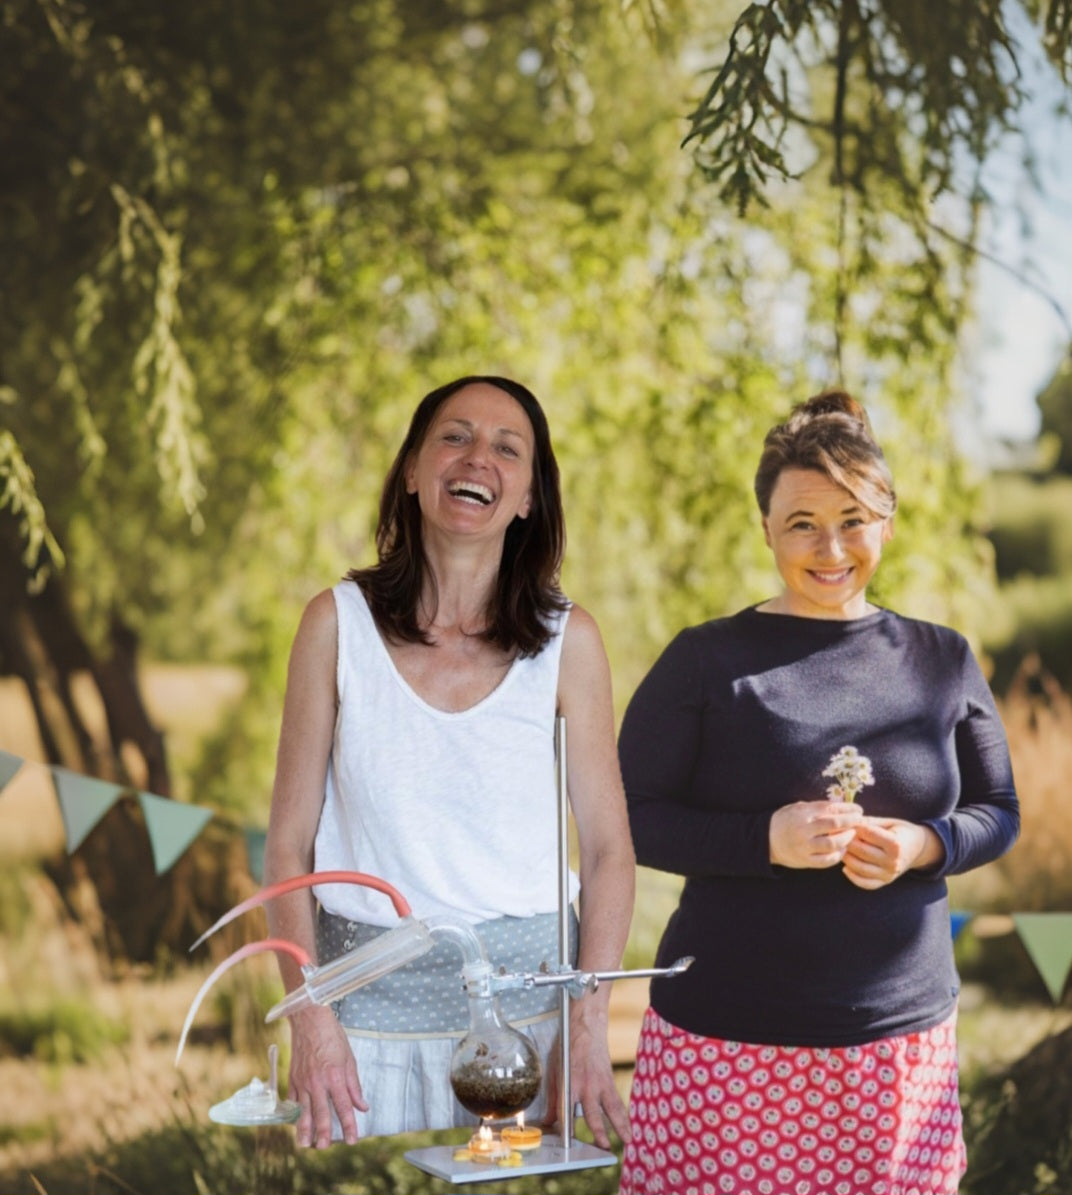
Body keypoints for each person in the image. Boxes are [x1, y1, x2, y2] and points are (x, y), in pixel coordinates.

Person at [616, 391, 1019, 1195]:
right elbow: (626, 819)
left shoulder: (943, 658)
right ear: (765, 526)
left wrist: (924, 843)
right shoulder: (704, 660)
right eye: (801, 522)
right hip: (724, 1050)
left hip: (899, 1051)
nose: (830, 546)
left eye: (854, 518)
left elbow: (999, 810)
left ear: (888, 521)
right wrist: (764, 839)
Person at [262, 375, 635, 1150]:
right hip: (359, 1039)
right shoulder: (336, 626)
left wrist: (586, 1020)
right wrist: (310, 1015)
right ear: (411, 468)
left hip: (531, 1040)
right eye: (454, 436)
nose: (478, 458)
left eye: (508, 448)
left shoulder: (571, 642)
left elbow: (606, 850)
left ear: (530, 495)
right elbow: (288, 848)